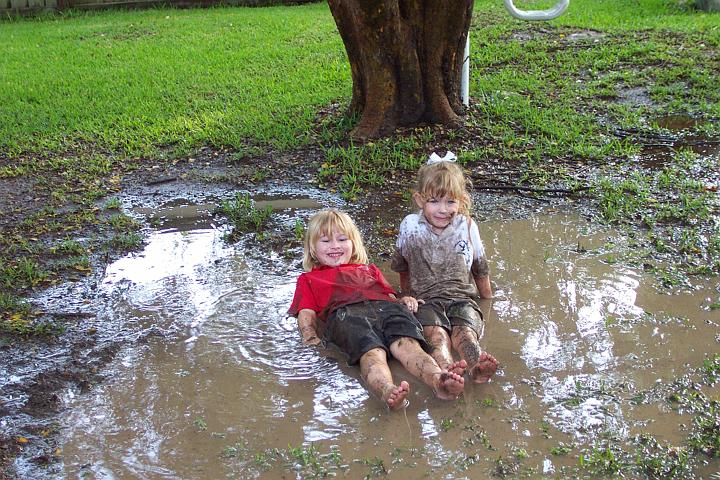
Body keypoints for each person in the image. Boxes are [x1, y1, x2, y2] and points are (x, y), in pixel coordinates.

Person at [288, 209, 465, 410]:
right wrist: (309, 335)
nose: (335, 246)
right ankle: (387, 390)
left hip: (387, 309)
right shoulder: (309, 279)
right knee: (372, 353)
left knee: (409, 346)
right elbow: (306, 312)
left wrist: (404, 299)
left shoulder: (369, 269)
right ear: (312, 249)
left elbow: (389, 295)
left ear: (353, 244)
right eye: (326, 241)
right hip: (348, 315)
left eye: (342, 239)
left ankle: (438, 380)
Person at [391, 151, 499, 384]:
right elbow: (402, 266)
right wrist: (407, 294)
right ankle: (448, 370)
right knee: (437, 337)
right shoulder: (411, 226)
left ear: (461, 200)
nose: (443, 209)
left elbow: (480, 268)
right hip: (426, 300)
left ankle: (477, 364)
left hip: (462, 298)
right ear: (420, 200)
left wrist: (488, 301)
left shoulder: (467, 226)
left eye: (450, 201)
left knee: (465, 334)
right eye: (434, 201)